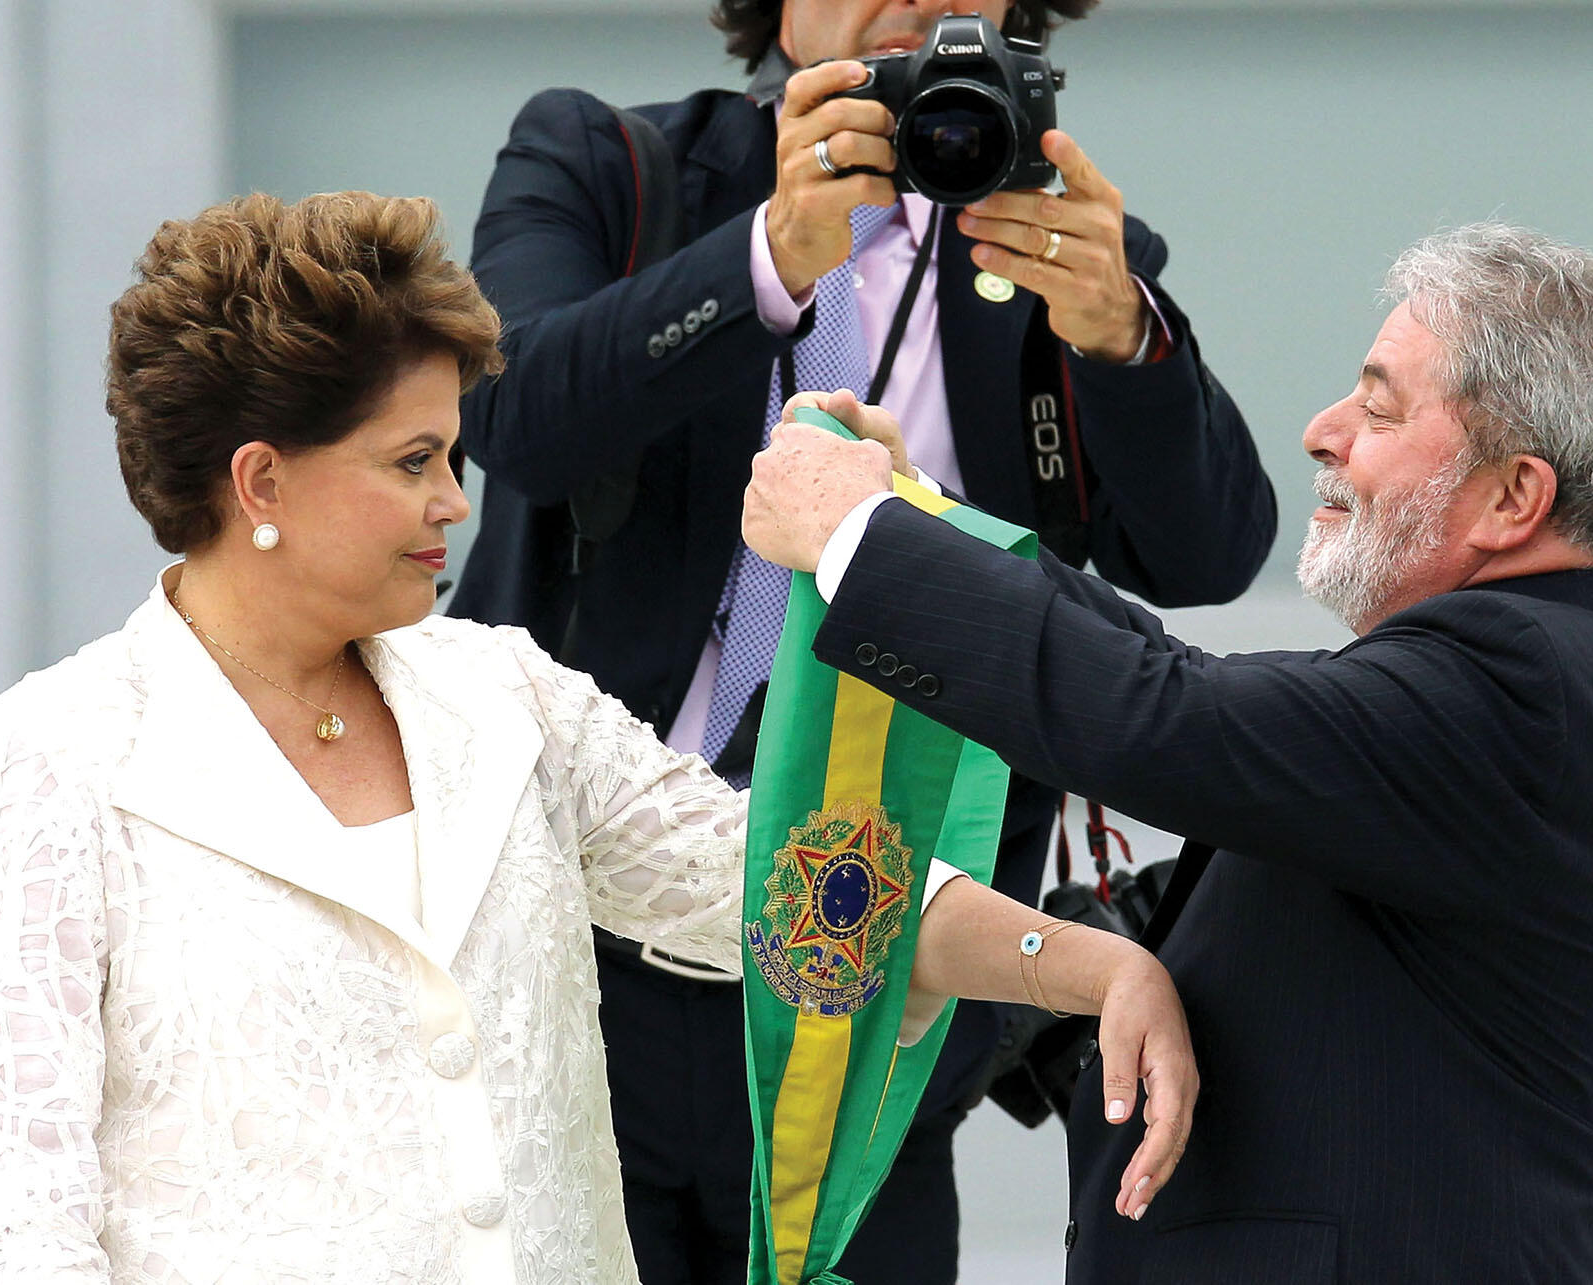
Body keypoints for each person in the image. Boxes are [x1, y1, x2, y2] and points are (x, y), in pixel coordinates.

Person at [0, 190, 1197, 1285]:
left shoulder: (504, 692)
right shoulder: (33, 768)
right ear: (261, 483)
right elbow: (20, 1229)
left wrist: (1088, 967)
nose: (455, 504)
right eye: (412, 461)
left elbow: (790, 879)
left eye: (451, 456)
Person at [450, 2, 1276, 1278]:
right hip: (579, 943)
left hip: (880, 975)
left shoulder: (1038, 235)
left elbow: (1208, 552)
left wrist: (1123, 338)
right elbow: (510, 413)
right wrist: (771, 256)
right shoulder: (610, 167)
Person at [743, 223, 1593, 1283]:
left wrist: (858, 539)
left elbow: (1170, 717)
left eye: (1378, 406)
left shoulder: (1527, 680)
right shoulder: (1551, 667)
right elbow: (1175, 677)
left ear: (1511, 499)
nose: (1320, 430)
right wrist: (914, 516)